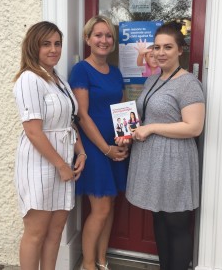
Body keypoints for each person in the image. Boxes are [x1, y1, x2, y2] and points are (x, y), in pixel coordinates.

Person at [125, 22, 205, 270]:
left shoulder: (188, 83)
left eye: (168, 47)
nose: (161, 52)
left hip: (174, 161)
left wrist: (151, 128)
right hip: (151, 160)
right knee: (158, 219)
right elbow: (144, 116)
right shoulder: (154, 79)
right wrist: (127, 132)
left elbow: (194, 127)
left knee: (177, 224)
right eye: (157, 47)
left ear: (180, 50)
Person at [13, 21, 86, 270]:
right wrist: (60, 166)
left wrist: (81, 151)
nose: (53, 49)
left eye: (57, 43)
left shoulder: (58, 79)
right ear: (34, 47)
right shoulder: (29, 79)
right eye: (46, 44)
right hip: (40, 163)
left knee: (56, 231)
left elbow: (69, 121)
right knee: (36, 232)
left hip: (64, 159)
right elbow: (33, 131)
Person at [69, 15, 128, 270]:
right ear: (87, 39)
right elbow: (81, 115)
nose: (103, 40)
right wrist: (105, 149)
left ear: (113, 42)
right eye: (98, 35)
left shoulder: (115, 72)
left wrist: (125, 140)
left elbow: (123, 108)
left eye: (108, 36)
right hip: (94, 149)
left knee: (110, 203)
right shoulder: (81, 70)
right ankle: (88, 264)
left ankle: (103, 260)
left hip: (115, 147)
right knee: (101, 208)